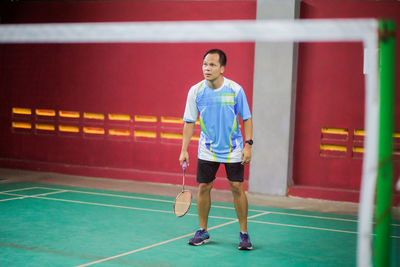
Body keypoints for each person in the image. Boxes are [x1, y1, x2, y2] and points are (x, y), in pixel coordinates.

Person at [179, 48, 253, 250]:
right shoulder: (196, 91)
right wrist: (184, 149)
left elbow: (246, 118)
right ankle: (202, 231)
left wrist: (248, 144)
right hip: (207, 148)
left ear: (222, 68)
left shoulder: (235, 90)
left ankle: (244, 234)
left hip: (233, 147)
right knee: (204, 187)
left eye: (212, 65)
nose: (207, 68)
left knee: (237, 188)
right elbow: (189, 122)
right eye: (205, 64)